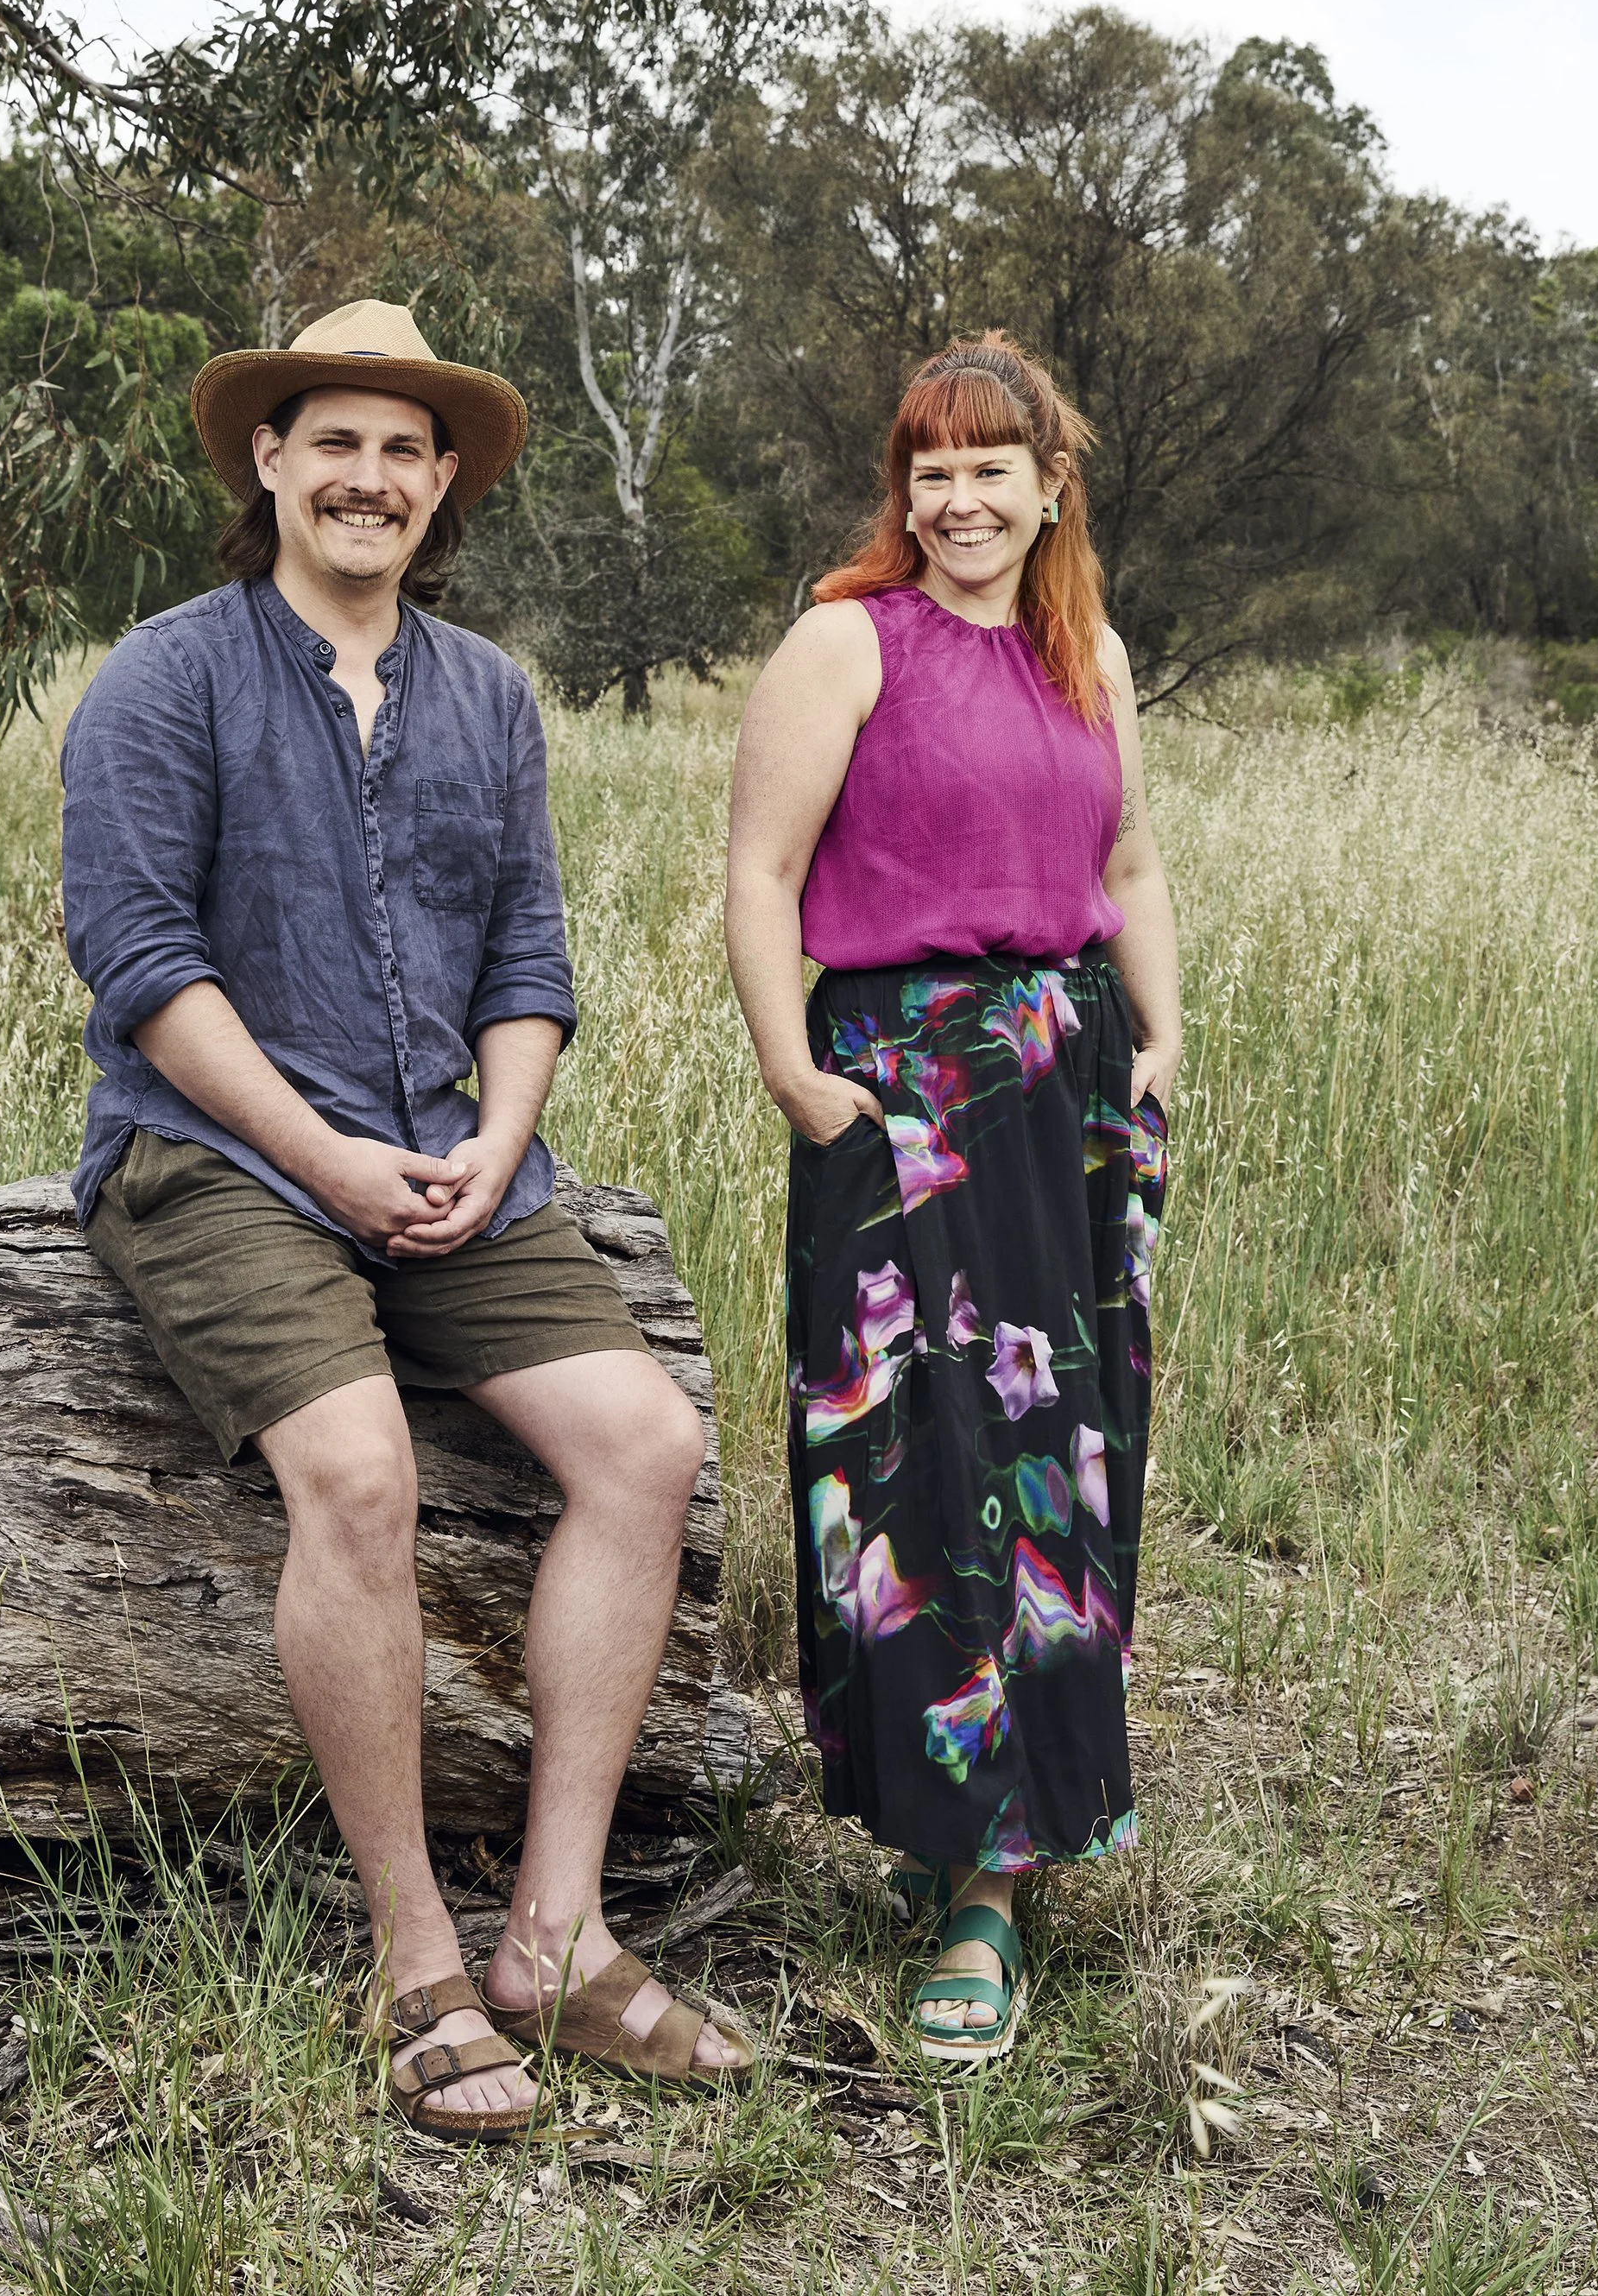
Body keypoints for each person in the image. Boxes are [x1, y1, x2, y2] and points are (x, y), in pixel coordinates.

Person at [59, 297, 750, 2143]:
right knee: (356, 1472)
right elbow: (141, 967)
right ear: (268, 463)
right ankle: (417, 1961)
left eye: (401, 450)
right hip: (217, 1163)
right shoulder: (165, 681)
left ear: (442, 486)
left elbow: (527, 955)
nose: (366, 476)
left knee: (645, 1443)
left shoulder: (488, 695)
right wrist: (332, 1159)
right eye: (331, 441)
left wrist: (489, 1135)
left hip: (452, 1163)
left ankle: (557, 1938)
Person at [723, 332, 1180, 2076]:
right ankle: (967, 1886)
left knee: (1063, 1446)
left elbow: (1124, 863)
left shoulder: (1088, 651)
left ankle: (1045, 1800)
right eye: (930, 468)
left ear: (1049, 484)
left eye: (992, 467)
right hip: (899, 1094)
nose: (960, 499)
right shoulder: (847, 642)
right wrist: (797, 1077)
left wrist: (1161, 1036)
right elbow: (761, 872)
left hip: (1066, 1092)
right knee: (924, 1463)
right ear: (898, 489)